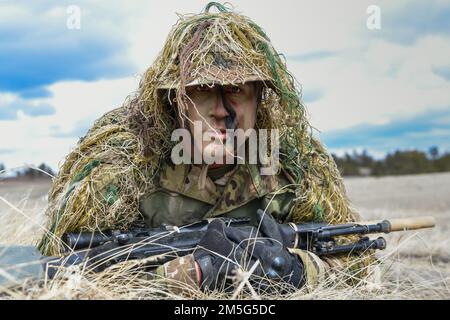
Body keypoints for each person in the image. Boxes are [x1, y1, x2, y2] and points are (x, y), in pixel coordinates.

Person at [16, 3, 371, 294]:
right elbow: (62, 273)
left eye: (236, 90)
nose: (220, 110)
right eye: (201, 90)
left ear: (259, 99)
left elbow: (360, 262)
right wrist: (177, 279)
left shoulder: (295, 166)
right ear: (175, 102)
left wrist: (297, 271)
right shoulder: (120, 168)